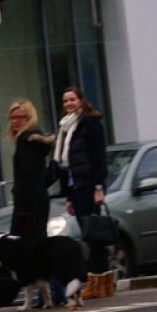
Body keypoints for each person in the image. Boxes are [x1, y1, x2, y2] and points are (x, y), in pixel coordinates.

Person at [53, 86, 112, 298]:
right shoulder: (65, 127)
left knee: (93, 233)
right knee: (89, 234)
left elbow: (98, 157)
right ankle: (103, 283)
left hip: (88, 185)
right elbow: (65, 165)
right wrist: (68, 196)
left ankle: (99, 281)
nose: (69, 104)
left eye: (72, 99)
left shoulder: (89, 124)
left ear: (80, 100)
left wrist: (98, 187)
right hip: (74, 186)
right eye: (65, 101)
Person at [7, 98, 60, 307]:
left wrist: (19, 196)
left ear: (29, 118)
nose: (15, 121)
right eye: (12, 117)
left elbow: (26, 176)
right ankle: (51, 293)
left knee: (26, 249)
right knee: (38, 247)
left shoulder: (26, 142)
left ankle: (46, 295)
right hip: (38, 199)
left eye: (20, 117)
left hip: (27, 204)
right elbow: (42, 176)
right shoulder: (36, 142)